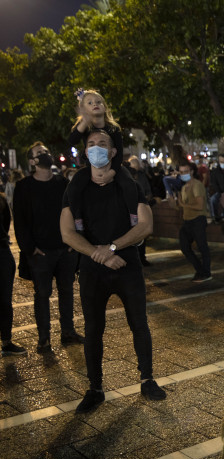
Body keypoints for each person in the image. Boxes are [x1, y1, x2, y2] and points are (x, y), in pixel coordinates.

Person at [60, 129, 167, 413]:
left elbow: (145, 224)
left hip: (127, 265)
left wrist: (112, 248)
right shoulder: (77, 187)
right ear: (85, 152)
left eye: (103, 144)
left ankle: (147, 379)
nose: (96, 148)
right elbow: (67, 232)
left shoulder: (127, 185)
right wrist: (100, 254)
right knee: (94, 329)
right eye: (91, 144)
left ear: (113, 152)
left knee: (139, 323)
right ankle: (95, 388)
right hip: (93, 269)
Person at [13, 142, 84, 355]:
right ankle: (44, 339)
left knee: (67, 292)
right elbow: (20, 220)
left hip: (65, 250)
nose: (45, 155)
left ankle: (68, 332)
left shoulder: (62, 183)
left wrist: (74, 243)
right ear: (32, 161)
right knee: (42, 295)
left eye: (46, 151)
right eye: (40, 153)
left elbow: (74, 211)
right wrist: (30, 248)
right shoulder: (24, 187)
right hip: (40, 254)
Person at [67, 89, 124, 183]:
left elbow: (119, 155)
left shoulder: (114, 129)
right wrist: (84, 122)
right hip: (91, 168)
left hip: (113, 168)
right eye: (89, 103)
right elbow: (72, 140)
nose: (95, 104)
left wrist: (111, 173)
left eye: (98, 102)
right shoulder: (84, 127)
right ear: (84, 110)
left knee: (128, 182)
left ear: (105, 107)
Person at [173, 161, 212, 282]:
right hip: (187, 220)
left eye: (185, 171)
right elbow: (179, 206)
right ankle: (200, 270)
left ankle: (205, 272)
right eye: (181, 172)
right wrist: (174, 199)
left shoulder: (197, 185)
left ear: (191, 172)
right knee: (185, 247)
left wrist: (183, 204)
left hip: (198, 219)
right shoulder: (184, 187)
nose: (183, 174)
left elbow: (200, 206)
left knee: (202, 247)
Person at [1, 190, 26, 356]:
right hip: (2, 253)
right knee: (4, 301)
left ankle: (7, 341)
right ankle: (7, 341)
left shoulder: (1, 200)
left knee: (4, 301)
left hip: (2, 252)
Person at [128, 156, 153, 266]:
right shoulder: (126, 179)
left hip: (141, 208)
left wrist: (147, 198)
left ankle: (142, 257)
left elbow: (148, 190)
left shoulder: (142, 177)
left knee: (142, 235)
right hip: (130, 212)